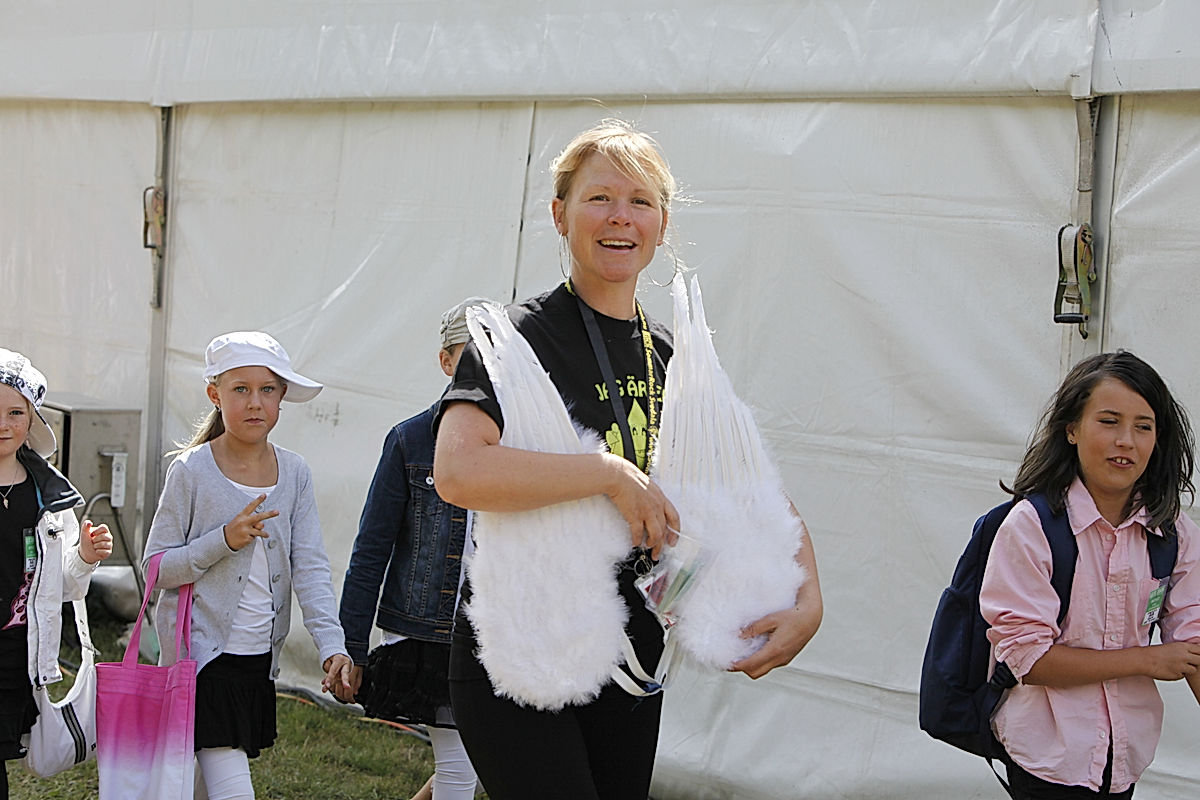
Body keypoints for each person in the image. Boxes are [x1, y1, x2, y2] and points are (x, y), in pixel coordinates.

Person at [433, 119, 823, 799]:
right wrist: (608, 474)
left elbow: (751, 491)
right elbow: (459, 472)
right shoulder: (516, 342)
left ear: (662, 224)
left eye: (640, 201)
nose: (621, 217)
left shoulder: (673, 354)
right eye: (599, 198)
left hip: (635, 655)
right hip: (524, 648)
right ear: (560, 214)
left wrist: (809, 600)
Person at [142, 331, 351, 800]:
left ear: (282, 397)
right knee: (231, 784)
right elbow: (155, 569)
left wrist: (331, 645)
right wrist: (222, 541)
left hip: (257, 661)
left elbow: (311, 568)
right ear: (215, 395)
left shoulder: (295, 473)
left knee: (200, 783)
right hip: (201, 661)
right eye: (241, 389)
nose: (255, 402)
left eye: (267, 389)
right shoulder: (191, 471)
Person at [981, 351, 1200, 799]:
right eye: (1109, 421)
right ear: (1072, 429)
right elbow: (1029, 660)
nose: (1127, 441)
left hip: (1125, 757)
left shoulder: (1173, 531)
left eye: (1144, 426)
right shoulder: (1032, 526)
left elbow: (1193, 637)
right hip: (1047, 758)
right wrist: (1147, 660)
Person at [336, 297, 487, 800]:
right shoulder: (410, 441)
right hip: (427, 633)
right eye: (472, 356)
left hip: (496, 630)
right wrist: (351, 646)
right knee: (460, 768)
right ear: (445, 361)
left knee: (481, 760)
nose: (487, 370)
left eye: (498, 356)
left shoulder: (520, 444)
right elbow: (371, 549)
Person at [0, 349, 113, 799]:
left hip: (13, 655)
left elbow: (62, 586)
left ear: (32, 419)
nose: (3, 424)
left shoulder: (49, 497)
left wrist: (84, 555)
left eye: (15, 412)